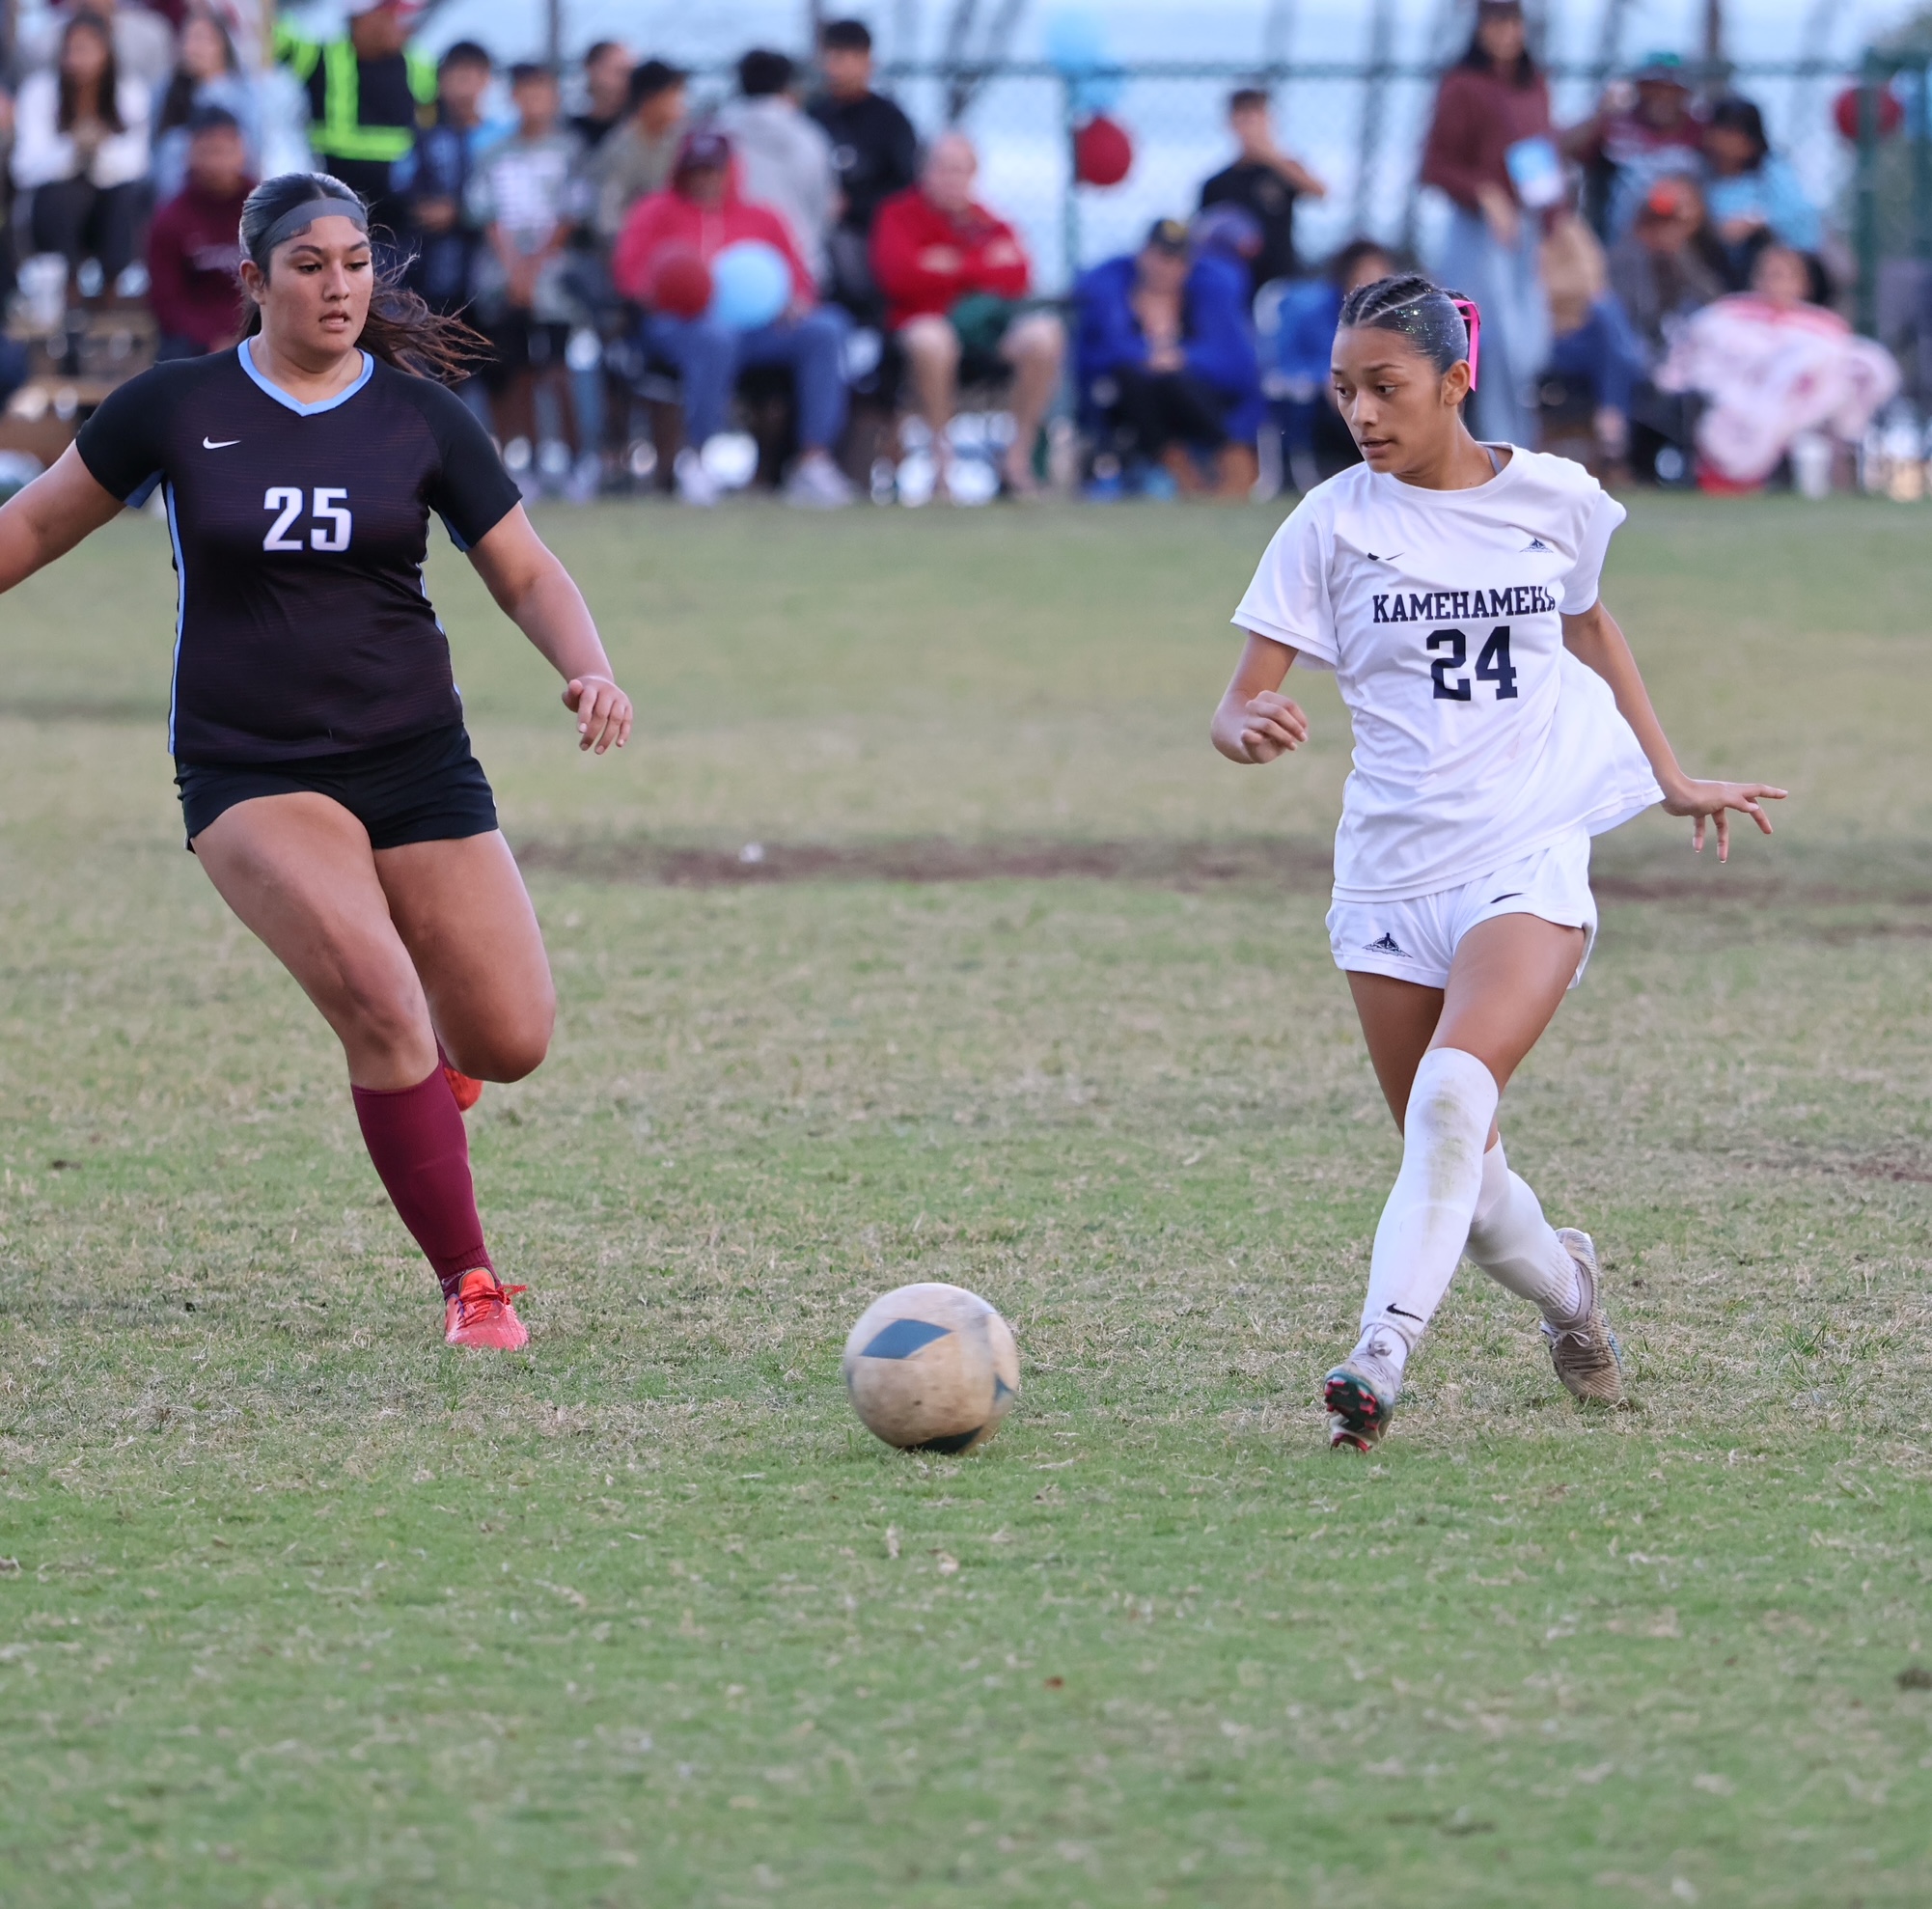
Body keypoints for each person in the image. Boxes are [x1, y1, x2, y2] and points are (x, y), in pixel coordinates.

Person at [0, 171, 633, 1349]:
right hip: (252, 767)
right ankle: (473, 1284)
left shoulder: (419, 415)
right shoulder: (175, 406)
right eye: (309, 265)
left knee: (510, 1040)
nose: (339, 286)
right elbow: (33, 522)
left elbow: (527, 569)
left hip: (416, 757)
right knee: (382, 1004)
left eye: (355, 263)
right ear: (254, 281)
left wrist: (586, 664)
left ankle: (437, 1074)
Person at [1211, 273, 1784, 1451]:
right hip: (1385, 879)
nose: (1362, 415)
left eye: (1386, 388)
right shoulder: (1328, 521)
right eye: (1342, 391)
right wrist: (1242, 728)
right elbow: (1239, 699)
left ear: (1455, 382)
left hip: (1523, 855)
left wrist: (1667, 776)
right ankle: (1570, 1292)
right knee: (1463, 1180)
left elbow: (1588, 623)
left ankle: (1379, 1354)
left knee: (1452, 1096)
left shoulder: (1556, 497)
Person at [612, 127, 855, 511]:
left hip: (757, 330)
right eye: (699, 169)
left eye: (715, 169)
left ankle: (813, 460)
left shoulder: (763, 217)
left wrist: (796, 301)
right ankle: (699, 459)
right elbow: (631, 275)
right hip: (683, 326)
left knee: (826, 329)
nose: (707, 178)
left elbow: (798, 280)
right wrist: (679, 289)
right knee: (715, 338)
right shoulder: (655, 212)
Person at [870, 131, 1065, 498]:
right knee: (932, 339)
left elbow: (1019, 273)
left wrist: (949, 265)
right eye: (943, 168)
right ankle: (941, 462)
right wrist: (980, 267)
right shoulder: (898, 215)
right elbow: (899, 277)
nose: (951, 178)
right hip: (920, 337)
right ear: (924, 171)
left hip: (985, 338)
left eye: (961, 170)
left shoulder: (989, 221)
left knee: (1044, 334)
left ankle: (1017, 460)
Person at [1655, 242, 1899, 492]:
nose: (1774, 283)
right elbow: (1696, 356)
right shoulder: (1726, 313)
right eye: (1768, 274)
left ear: (1802, 283)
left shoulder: (1824, 325)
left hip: (1803, 406)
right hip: (1736, 397)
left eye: (1783, 275)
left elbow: (1840, 366)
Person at [1419, 0, 1554, 448]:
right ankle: (1495, 447)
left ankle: (1521, 446)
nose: (1505, 33)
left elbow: (1542, 156)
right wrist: (1484, 192)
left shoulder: (1533, 84)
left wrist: (1552, 223)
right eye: (1496, 23)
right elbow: (1435, 164)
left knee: (1529, 349)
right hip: (1479, 232)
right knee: (1485, 344)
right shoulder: (1462, 86)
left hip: (1527, 231)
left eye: (1512, 23)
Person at [466, 64, 593, 503]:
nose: (534, 101)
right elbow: (487, 216)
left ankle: (577, 462)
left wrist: (535, 267)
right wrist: (515, 269)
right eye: (525, 92)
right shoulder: (494, 153)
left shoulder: (571, 150)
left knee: (557, 370)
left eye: (543, 91)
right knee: (514, 372)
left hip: (556, 285)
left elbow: (572, 215)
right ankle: (526, 461)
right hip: (503, 282)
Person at [1075, 217, 1260, 499]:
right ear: (1143, 254)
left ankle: (1232, 463)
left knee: (1175, 380)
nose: (1167, 267)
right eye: (1161, 256)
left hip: (1201, 397)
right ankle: (1179, 471)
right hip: (1132, 402)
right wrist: (1146, 355)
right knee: (1135, 378)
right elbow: (1096, 353)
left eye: (1178, 259)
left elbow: (1236, 363)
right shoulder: (1112, 294)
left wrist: (1182, 358)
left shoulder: (1209, 295)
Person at [12, 13, 152, 295]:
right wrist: (73, 150)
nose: (80, 59)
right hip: (57, 206)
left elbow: (137, 164)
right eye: (73, 49)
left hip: (110, 202)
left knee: (127, 197)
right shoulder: (39, 92)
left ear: (107, 52)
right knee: (68, 195)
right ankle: (68, 285)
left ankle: (113, 286)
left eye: (88, 49)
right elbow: (24, 167)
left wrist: (98, 151)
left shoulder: (131, 92)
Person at [276, 0, 437, 243]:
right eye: (390, 16)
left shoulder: (419, 66)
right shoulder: (318, 57)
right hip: (329, 211)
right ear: (361, 18)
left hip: (399, 222)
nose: (400, 25)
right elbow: (264, 34)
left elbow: (439, 131)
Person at [807, 18, 919, 316]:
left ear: (867, 62)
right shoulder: (813, 116)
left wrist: (853, 205)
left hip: (870, 236)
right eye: (828, 58)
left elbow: (906, 187)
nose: (833, 68)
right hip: (813, 233)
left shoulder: (890, 121)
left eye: (842, 59)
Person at [1268, 237, 1396, 490]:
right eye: (1367, 275)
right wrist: (1329, 379)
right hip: (1323, 406)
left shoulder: (1396, 319)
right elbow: (1284, 364)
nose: (1375, 286)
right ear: (1347, 279)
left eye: (1382, 277)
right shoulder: (1309, 311)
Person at [715, 48, 838, 291]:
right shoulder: (810, 137)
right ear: (787, 87)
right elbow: (824, 210)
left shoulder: (714, 137)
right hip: (798, 269)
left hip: (727, 268)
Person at [1197, 86, 1328, 298]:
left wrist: (1272, 156)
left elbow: (1320, 191)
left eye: (1256, 118)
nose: (1250, 127)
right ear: (1231, 124)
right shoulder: (1216, 184)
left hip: (1280, 280)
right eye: (1243, 119)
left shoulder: (1285, 170)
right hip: (1235, 282)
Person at [1539, 208, 1644, 473]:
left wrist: (1573, 294)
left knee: (1607, 313)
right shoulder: (1523, 230)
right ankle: (1613, 417)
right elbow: (1542, 290)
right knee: (1608, 321)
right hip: (1543, 339)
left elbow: (1594, 277)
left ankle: (1611, 416)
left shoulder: (1570, 227)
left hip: (1579, 334)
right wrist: (1574, 294)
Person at [145, 104, 252, 358]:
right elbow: (166, 300)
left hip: (259, 333)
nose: (218, 162)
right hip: (196, 342)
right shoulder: (170, 218)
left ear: (242, 152)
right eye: (208, 151)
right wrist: (213, 340)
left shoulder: (266, 210)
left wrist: (246, 336)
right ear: (190, 154)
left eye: (225, 151)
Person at [1561, 51, 1705, 241]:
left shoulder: (1701, 130)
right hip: (1621, 242)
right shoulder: (1615, 125)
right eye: (1653, 88)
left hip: (1684, 243)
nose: (1662, 96)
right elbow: (1563, 149)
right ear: (1639, 89)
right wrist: (1599, 114)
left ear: (1685, 93)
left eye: (1670, 89)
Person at [397, 41, 494, 318]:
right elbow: (399, 187)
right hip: (429, 268)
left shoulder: (502, 137)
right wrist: (420, 209)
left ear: (487, 80)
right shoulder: (422, 137)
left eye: (471, 77)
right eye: (455, 78)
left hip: (489, 271)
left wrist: (460, 214)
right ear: (441, 82)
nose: (463, 87)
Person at [1700, 96, 1821, 289]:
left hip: (1770, 276)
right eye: (1719, 130)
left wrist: (1753, 221)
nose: (1722, 141)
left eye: (1733, 133)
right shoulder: (1702, 175)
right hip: (1715, 276)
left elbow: (1804, 224)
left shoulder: (1771, 170)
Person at [152, 8, 260, 204]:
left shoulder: (243, 94)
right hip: (179, 195)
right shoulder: (168, 91)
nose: (193, 47)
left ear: (222, 45)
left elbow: (255, 146)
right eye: (188, 39)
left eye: (203, 39)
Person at [584, 58, 687, 250]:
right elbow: (606, 221)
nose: (680, 104)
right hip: (633, 249)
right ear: (649, 100)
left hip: (677, 246)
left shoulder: (680, 140)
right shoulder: (618, 149)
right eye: (673, 96)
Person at [569, 40, 632, 152]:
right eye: (619, 72)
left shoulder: (637, 129)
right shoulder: (568, 131)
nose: (627, 81)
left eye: (630, 73)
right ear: (592, 70)